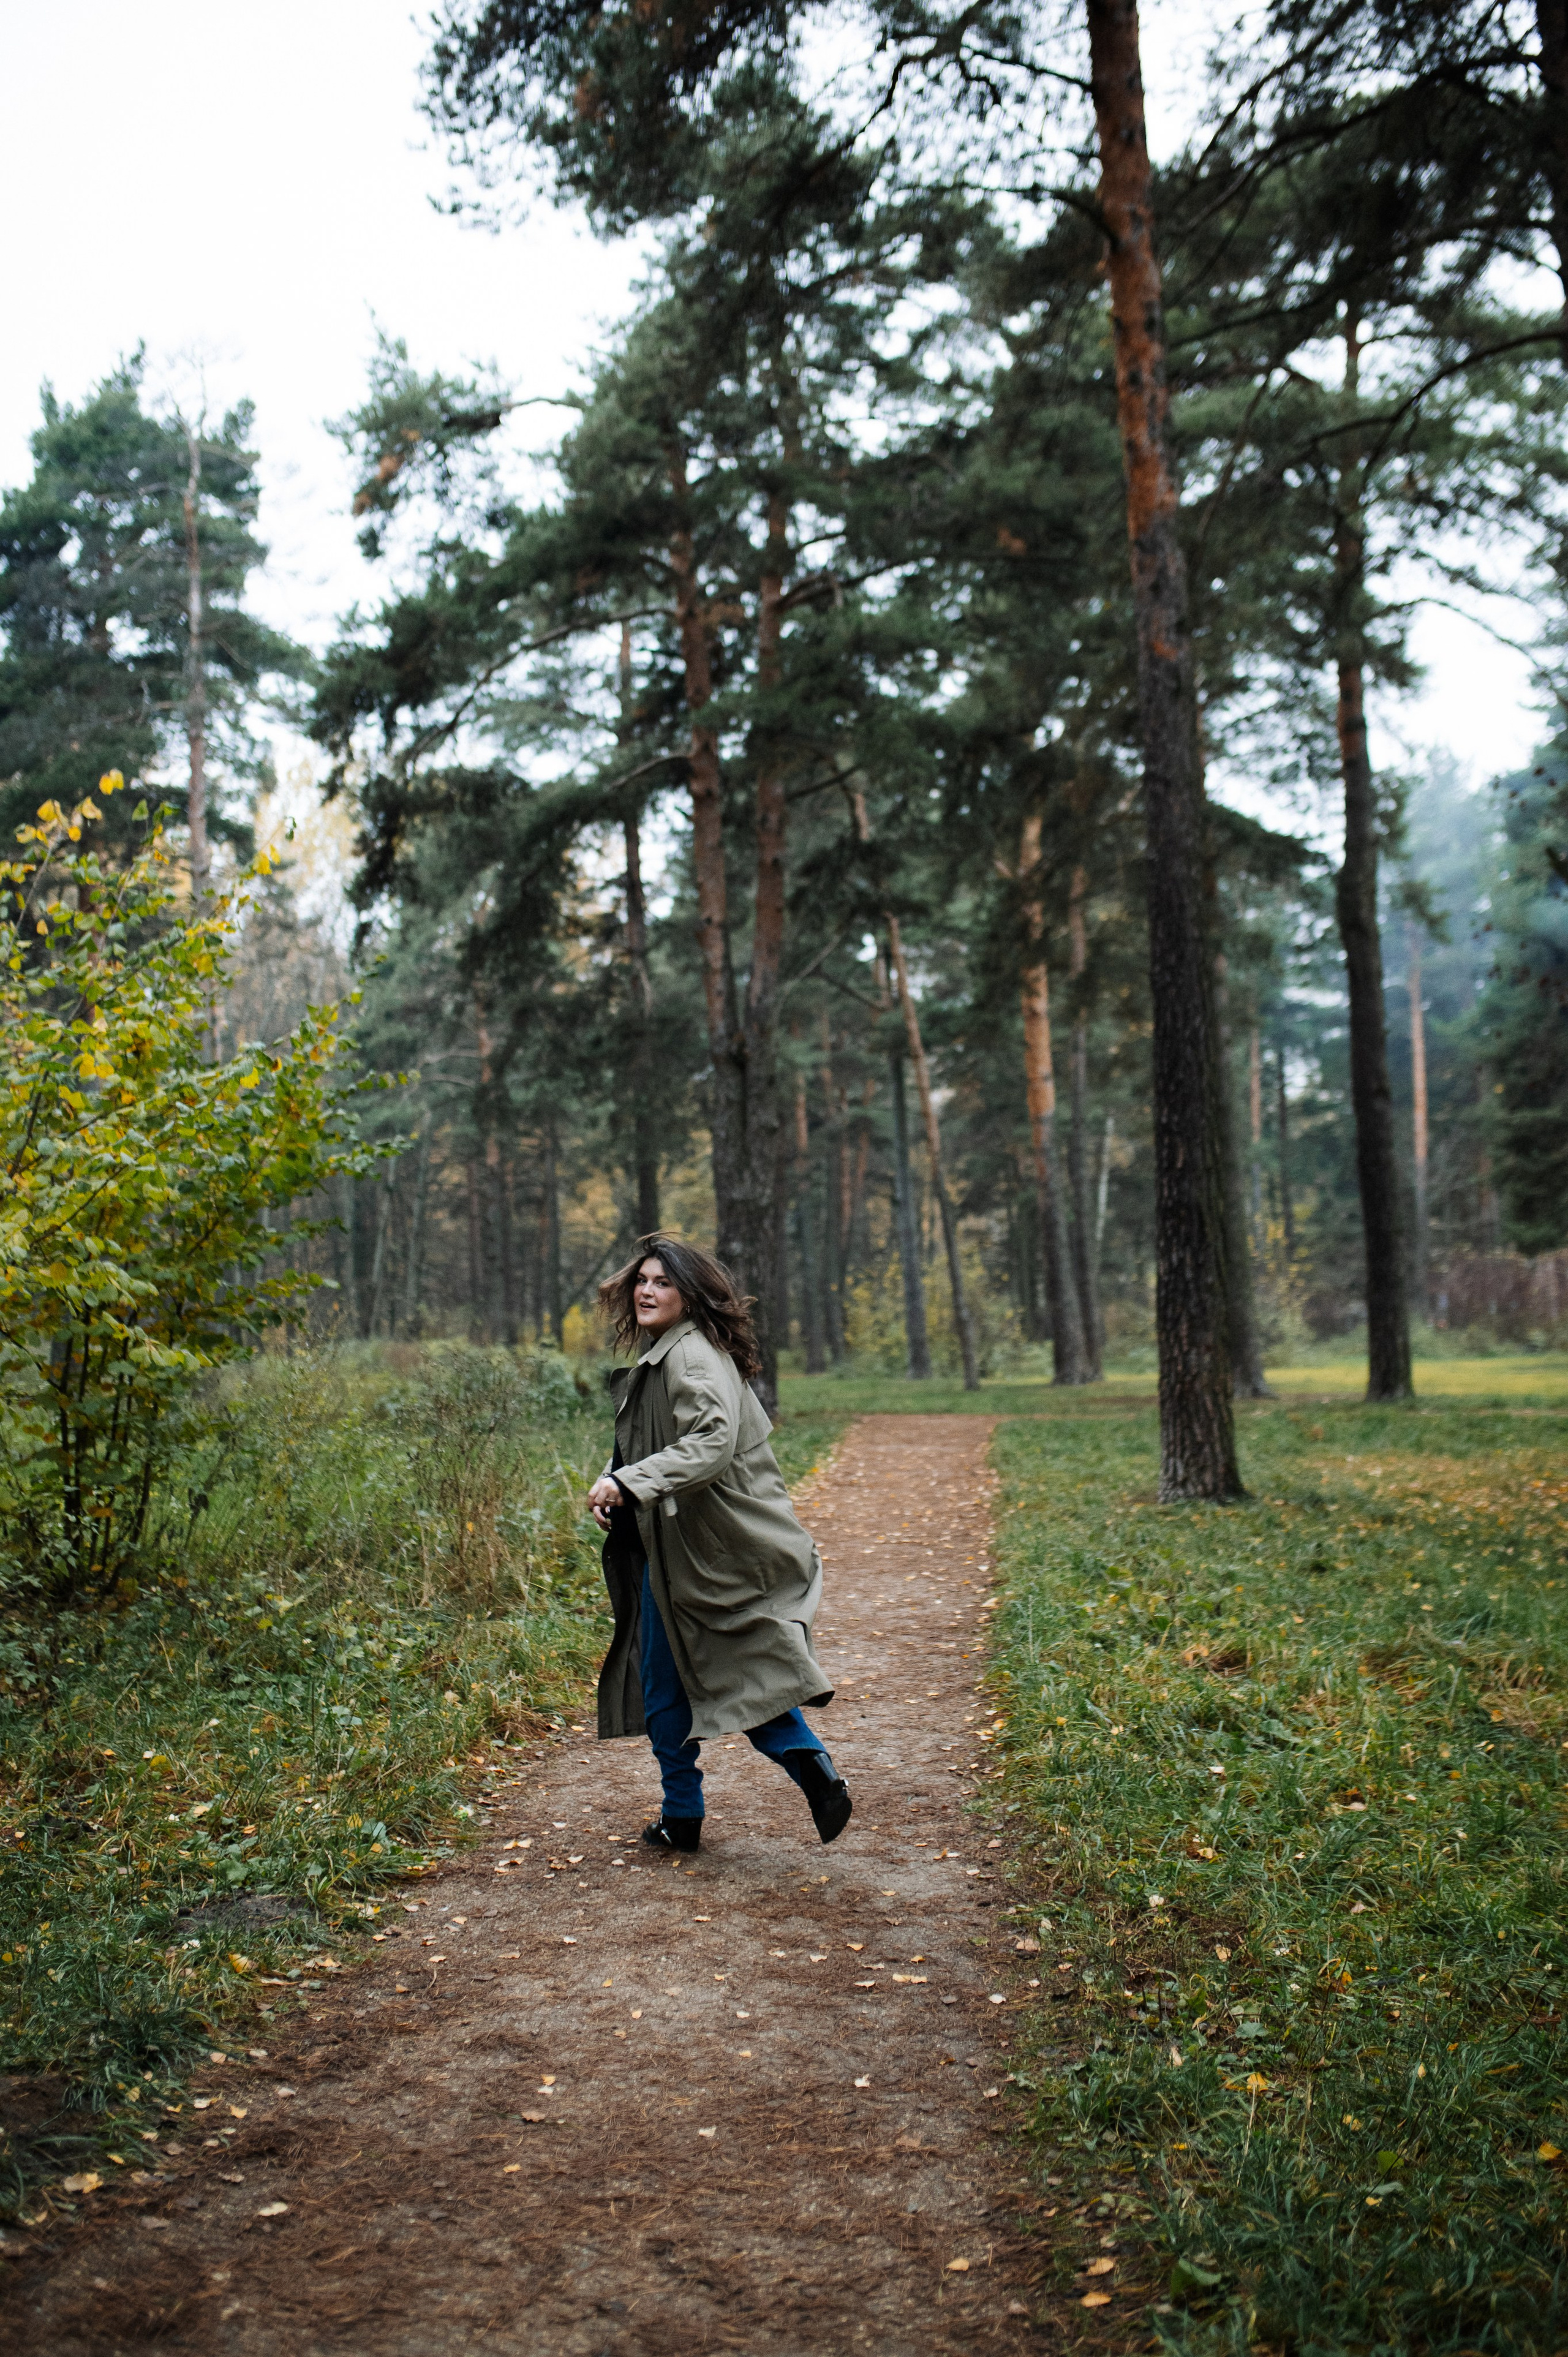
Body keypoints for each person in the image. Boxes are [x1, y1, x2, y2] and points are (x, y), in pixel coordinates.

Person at [587, 1236, 852, 1854]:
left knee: (691, 1676)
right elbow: (655, 1440)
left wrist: (629, 1482)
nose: (647, 1291)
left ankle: (705, 1804)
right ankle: (700, 1808)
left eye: (663, 1282)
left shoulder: (691, 1358)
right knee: (702, 1672)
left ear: (688, 1295)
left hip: (707, 1548)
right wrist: (618, 1480)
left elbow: (709, 1440)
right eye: (642, 1280)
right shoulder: (672, 1353)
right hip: (684, 1545)